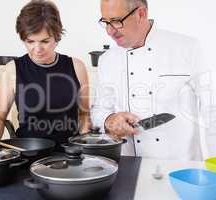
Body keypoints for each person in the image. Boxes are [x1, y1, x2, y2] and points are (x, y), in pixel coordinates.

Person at [91, 0, 213, 160]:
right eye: (105, 22)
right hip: (127, 165)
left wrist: (213, 166)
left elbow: (212, 110)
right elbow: (99, 110)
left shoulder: (187, 49)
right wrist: (109, 120)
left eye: (116, 21)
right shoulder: (107, 60)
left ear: (141, 14)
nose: (109, 31)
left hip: (179, 167)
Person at [0, 0, 90, 150]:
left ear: (57, 38)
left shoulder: (76, 66)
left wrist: (86, 140)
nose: (37, 49)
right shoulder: (12, 70)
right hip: (29, 153)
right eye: (30, 41)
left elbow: (84, 114)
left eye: (45, 41)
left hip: (69, 153)